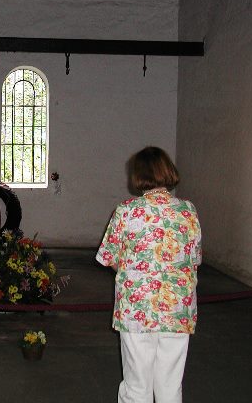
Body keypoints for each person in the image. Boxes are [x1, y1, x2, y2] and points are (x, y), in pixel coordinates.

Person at [96, 146, 202, 403]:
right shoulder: (188, 211)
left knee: (136, 386)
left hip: (137, 311)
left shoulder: (126, 211)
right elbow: (194, 260)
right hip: (177, 310)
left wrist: (135, 271)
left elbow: (109, 257)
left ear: (138, 175)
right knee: (170, 386)